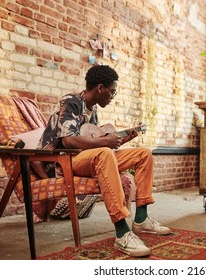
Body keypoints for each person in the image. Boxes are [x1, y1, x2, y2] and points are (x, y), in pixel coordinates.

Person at [37, 64, 172, 257]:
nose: (112, 97)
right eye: (112, 92)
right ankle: (122, 232)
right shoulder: (71, 101)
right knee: (105, 153)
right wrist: (105, 142)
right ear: (100, 88)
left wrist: (114, 140)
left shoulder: (93, 110)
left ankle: (141, 218)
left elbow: (92, 140)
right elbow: (68, 140)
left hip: (88, 159)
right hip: (64, 162)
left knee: (143, 154)